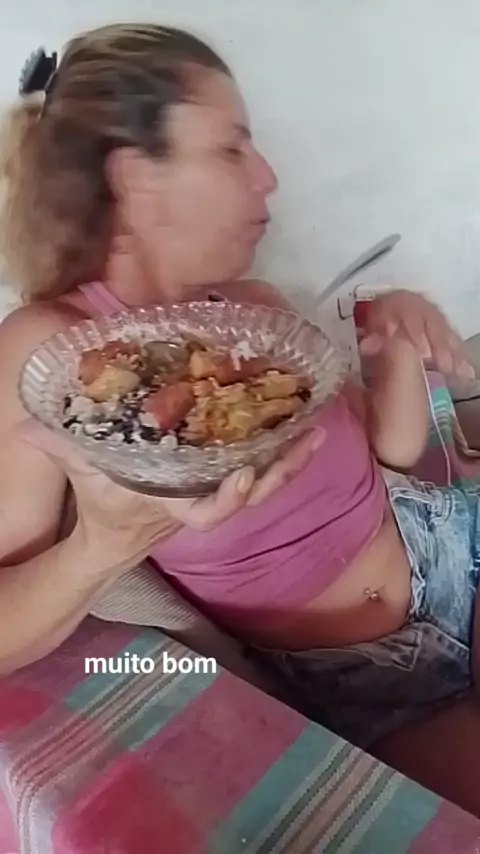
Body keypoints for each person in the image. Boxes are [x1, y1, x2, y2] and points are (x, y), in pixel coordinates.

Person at [0, 22, 476, 748]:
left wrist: (398, 336)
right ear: (134, 177)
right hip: (371, 673)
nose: (268, 176)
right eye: (231, 148)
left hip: (451, 541)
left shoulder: (259, 312)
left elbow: (395, 454)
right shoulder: (53, 350)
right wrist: (102, 547)